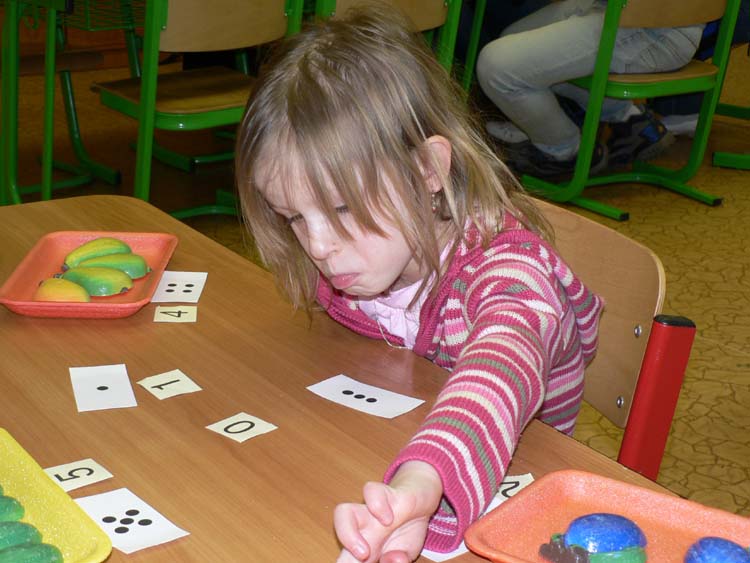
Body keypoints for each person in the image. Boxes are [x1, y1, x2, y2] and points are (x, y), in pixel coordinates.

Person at [235, 6, 603, 562]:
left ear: (428, 170)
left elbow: (500, 366)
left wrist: (422, 482)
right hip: (386, 450)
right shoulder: (368, 256)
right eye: (294, 217)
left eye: (342, 208)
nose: (318, 246)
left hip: (514, 497)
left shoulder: (508, 271)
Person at [476, 0, 705, 177]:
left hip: (654, 26)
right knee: (514, 40)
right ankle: (627, 119)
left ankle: (565, 152)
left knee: (498, 67)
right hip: (632, 13)